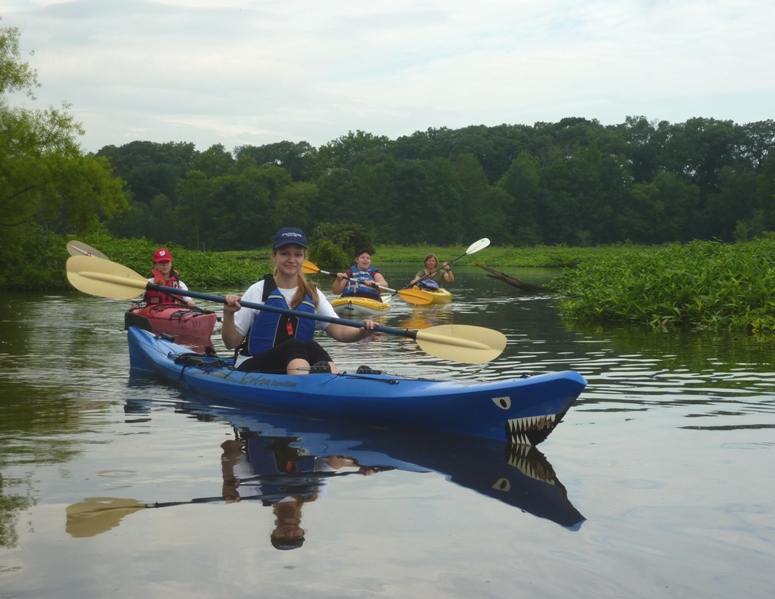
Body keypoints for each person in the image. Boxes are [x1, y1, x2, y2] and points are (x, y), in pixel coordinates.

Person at [222, 228, 376, 374]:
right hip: (253, 365)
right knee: (294, 345)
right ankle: (306, 389)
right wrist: (228, 314)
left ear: (304, 258)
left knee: (312, 347)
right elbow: (231, 343)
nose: (291, 260)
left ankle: (332, 383)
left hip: (291, 367)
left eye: (297, 255)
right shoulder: (257, 291)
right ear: (274, 256)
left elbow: (341, 332)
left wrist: (362, 332)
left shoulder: (313, 293)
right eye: (285, 254)